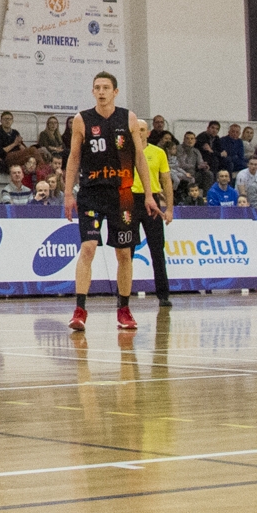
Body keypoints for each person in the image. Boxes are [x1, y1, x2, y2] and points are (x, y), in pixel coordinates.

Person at [64, 72, 156, 333]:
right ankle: (80, 309)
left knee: (124, 253)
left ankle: (124, 309)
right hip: (91, 192)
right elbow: (73, 158)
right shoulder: (82, 119)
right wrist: (68, 194)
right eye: (97, 87)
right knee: (89, 248)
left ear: (115, 92)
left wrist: (148, 194)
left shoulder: (128, 118)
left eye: (106, 87)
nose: (101, 91)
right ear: (92, 91)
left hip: (122, 194)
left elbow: (139, 157)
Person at [139, 133, 174, 306]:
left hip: (151, 200)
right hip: (129, 199)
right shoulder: (124, 151)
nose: (138, 132)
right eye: (136, 128)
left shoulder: (159, 152)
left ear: (148, 133)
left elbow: (166, 181)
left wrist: (169, 208)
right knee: (125, 251)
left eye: (142, 129)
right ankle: (121, 295)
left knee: (157, 249)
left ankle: (163, 294)